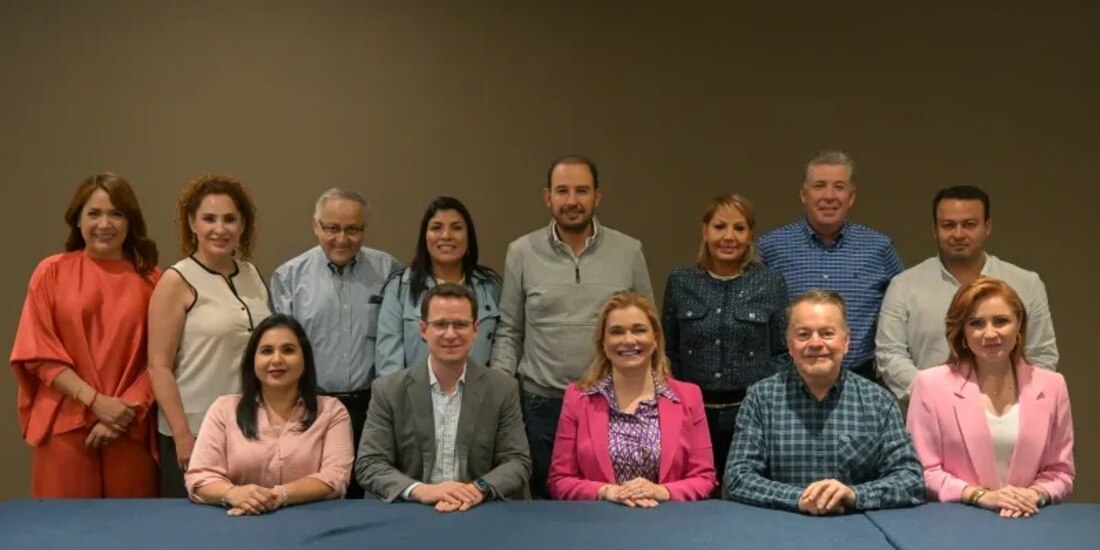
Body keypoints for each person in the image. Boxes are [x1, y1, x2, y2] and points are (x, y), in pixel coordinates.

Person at [493, 155, 653, 498]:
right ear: (547, 196)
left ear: (598, 195)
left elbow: (647, 327)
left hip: (612, 403)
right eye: (562, 191)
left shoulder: (629, 251)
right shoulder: (521, 252)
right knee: (548, 507)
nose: (571, 201)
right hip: (543, 405)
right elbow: (510, 330)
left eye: (582, 191)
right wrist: (500, 393)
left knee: (613, 501)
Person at [10, 173, 160, 497]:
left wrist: (122, 410)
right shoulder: (50, 272)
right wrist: (95, 402)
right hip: (65, 422)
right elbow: (38, 352)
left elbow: (165, 357)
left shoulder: (154, 280)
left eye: (116, 214)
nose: (104, 223)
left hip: (128, 424)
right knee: (64, 534)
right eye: (94, 213)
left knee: (133, 535)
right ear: (77, 220)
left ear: (130, 221)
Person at [726, 290, 924, 514]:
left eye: (827, 333)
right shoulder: (760, 399)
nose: (815, 343)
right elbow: (737, 477)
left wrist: (854, 494)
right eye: (803, 335)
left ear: (846, 341)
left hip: (859, 529)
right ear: (790, 345)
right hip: (780, 527)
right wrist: (798, 498)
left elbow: (911, 479)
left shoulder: (878, 401)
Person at [270, 188, 401, 498]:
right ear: (316, 225)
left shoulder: (390, 271)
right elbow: (281, 351)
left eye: (352, 229)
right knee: (312, 495)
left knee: (366, 497)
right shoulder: (288, 277)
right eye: (332, 228)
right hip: (310, 407)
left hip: (371, 407)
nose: (342, 238)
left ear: (363, 229)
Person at [907, 277, 1073, 518]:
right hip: (956, 522)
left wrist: (1036, 493)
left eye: (1001, 321)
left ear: (1019, 326)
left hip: (1028, 519)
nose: (990, 333)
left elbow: (1061, 471)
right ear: (962, 332)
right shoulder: (930, 384)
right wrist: (980, 496)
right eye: (976, 323)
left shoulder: (1052, 385)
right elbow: (922, 470)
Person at [148, 174, 272, 497]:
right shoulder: (176, 281)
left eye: (230, 219)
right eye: (209, 219)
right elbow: (158, 367)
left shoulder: (252, 275)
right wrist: (182, 436)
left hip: (247, 430)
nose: (220, 228)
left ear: (243, 224)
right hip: (194, 432)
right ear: (192, 223)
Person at [356, 283, 531, 510]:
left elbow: (518, 461)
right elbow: (370, 464)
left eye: (460, 324)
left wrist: (477, 489)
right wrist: (421, 490)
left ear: (475, 329)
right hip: (412, 510)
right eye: (439, 324)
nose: (450, 334)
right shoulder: (388, 390)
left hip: (477, 510)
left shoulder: (503, 389)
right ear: (422, 329)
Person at [877, 186, 1059, 401]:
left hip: (1010, 414)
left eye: (969, 224)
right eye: (948, 225)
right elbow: (890, 355)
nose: (958, 234)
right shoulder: (904, 286)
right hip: (931, 415)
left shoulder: (1027, 284)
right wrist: (939, 398)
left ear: (987, 226)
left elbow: (1041, 356)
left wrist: (1007, 401)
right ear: (934, 229)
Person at [661, 195, 787, 490]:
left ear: (751, 235)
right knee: (695, 494)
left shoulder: (770, 282)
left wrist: (765, 401)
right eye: (719, 227)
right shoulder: (681, 281)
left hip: (749, 414)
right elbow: (667, 349)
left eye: (739, 229)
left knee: (748, 494)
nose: (728, 237)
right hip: (693, 413)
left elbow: (783, 352)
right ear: (704, 231)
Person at [548, 293, 716, 505]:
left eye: (639, 330)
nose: (629, 340)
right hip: (598, 524)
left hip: (669, 523)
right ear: (603, 342)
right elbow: (559, 481)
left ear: (655, 338)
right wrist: (607, 491)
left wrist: (662, 491)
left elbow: (704, 478)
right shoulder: (578, 398)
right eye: (617, 332)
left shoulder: (688, 396)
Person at [186, 314, 354, 515]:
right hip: (239, 521)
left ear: (305, 359)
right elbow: (200, 476)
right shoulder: (223, 410)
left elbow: (335, 476)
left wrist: (279, 495)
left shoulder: (332, 411)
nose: (277, 359)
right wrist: (232, 493)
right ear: (253, 360)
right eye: (266, 351)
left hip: (312, 521)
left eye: (288, 350)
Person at [758, 151, 903, 380]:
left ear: (851, 196)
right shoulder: (770, 248)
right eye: (819, 186)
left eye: (839, 187)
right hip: (789, 380)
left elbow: (902, 312)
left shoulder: (879, 249)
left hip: (860, 379)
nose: (829, 196)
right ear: (803, 194)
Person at [376, 196, 499, 376]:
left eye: (456, 228)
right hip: (415, 399)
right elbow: (389, 365)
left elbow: (504, 346)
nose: (446, 236)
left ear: (469, 237)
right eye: (436, 228)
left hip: (480, 398)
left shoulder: (491, 286)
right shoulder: (400, 288)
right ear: (425, 236)